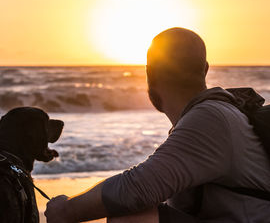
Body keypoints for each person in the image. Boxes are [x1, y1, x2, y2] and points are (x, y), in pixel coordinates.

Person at [45, 27, 270, 222]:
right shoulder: (216, 115)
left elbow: (135, 189)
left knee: (130, 217)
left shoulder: (210, 118)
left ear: (149, 73)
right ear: (205, 69)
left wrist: (66, 210)